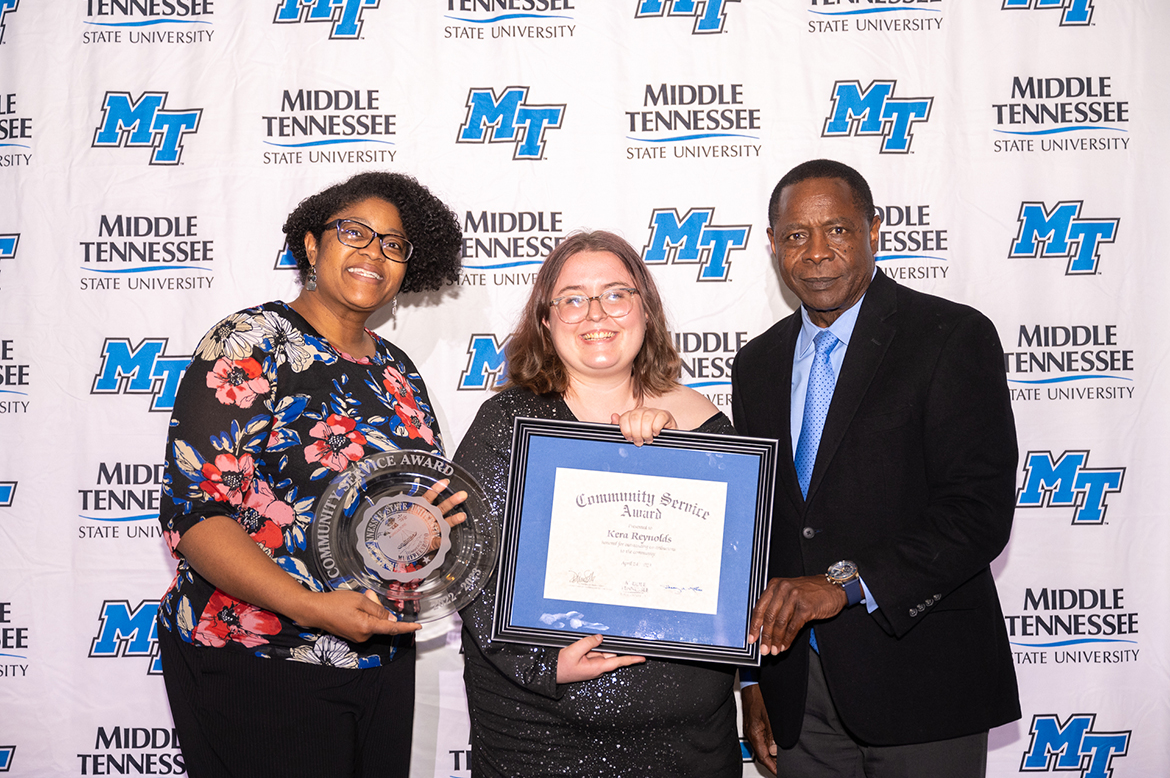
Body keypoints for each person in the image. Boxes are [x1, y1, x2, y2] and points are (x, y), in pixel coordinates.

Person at [156, 171, 463, 778]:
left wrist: (425, 533)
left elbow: (397, 515)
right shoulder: (250, 343)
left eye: (394, 244)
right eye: (355, 233)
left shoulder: (398, 369)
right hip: (261, 656)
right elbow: (196, 518)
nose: (374, 252)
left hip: (379, 655)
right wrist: (313, 607)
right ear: (310, 245)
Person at [731, 159, 1020, 777]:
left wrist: (843, 584)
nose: (815, 252)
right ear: (773, 245)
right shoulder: (756, 365)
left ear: (874, 231)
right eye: (795, 235)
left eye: (836, 230)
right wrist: (751, 678)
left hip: (922, 681)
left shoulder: (950, 336)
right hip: (797, 694)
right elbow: (755, 535)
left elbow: (978, 513)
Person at [455, 230, 742, 777]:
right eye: (572, 298)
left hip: (689, 742)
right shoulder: (507, 424)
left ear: (645, 310)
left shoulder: (703, 422)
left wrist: (670, 457)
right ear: (546, 319)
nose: (596, 313)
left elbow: (736, 570)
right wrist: (542, 665)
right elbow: (468, 566)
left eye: (615, 293)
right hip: (543, 738)